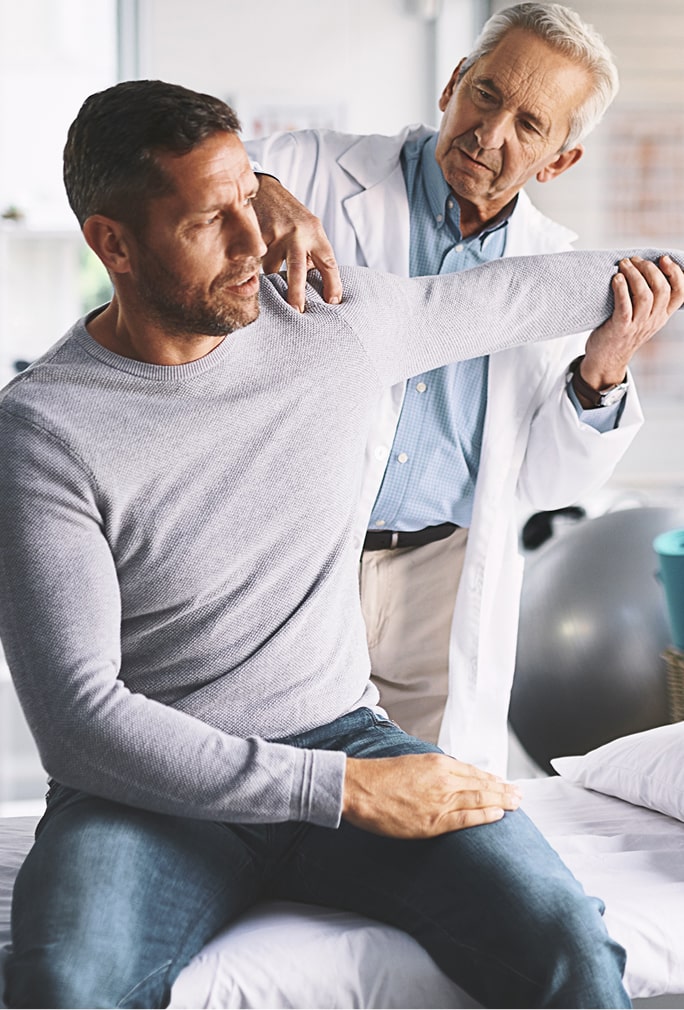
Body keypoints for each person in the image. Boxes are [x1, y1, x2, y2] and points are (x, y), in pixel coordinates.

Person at [2, 79, 683, 1010]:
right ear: (111, 242)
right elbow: (82, 724)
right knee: (65, 986)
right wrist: (347, 794)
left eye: (254, 199)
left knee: (569, 945)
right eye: (212, 220)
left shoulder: (323, 321)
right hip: (153, 795)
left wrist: (668, 269)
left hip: (343, 733)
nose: (254, 244)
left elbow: (507, 294)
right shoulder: (45, 430)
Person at [246, 2, 664, 767]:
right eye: (486, 93)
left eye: (530, 125)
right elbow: (187, 166)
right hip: (303, 555)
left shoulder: (558, 272)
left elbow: (546, 480)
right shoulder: (317, 168)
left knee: (420, 806)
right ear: (452, 83)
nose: (490, 133)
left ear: (559, 161)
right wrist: (260, 185)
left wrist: (606, 363)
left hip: (441, 574)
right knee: (274, 783)